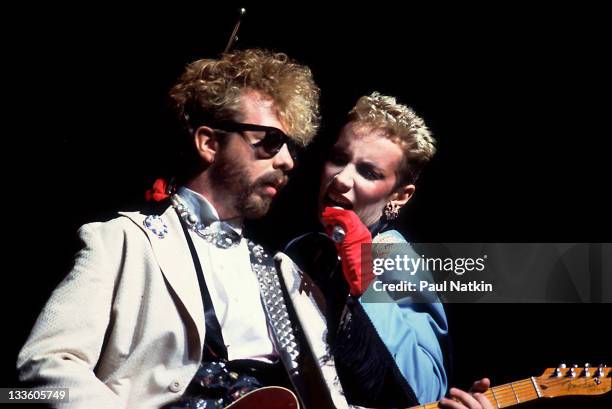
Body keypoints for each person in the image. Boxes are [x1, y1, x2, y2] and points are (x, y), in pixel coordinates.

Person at [17, 49, 349, 409]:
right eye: (269, 141)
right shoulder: (122, 241)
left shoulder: (284, 272)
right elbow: (40, 371)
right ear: (208, 143)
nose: (286, 161)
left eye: (289, 147)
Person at [285, 92, 493, 409]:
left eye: (369, 173)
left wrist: (364, 283)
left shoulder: (392, 254)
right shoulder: (303, 249)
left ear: (399, 196)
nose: (341, 179)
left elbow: (427, 391)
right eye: (339, 159)